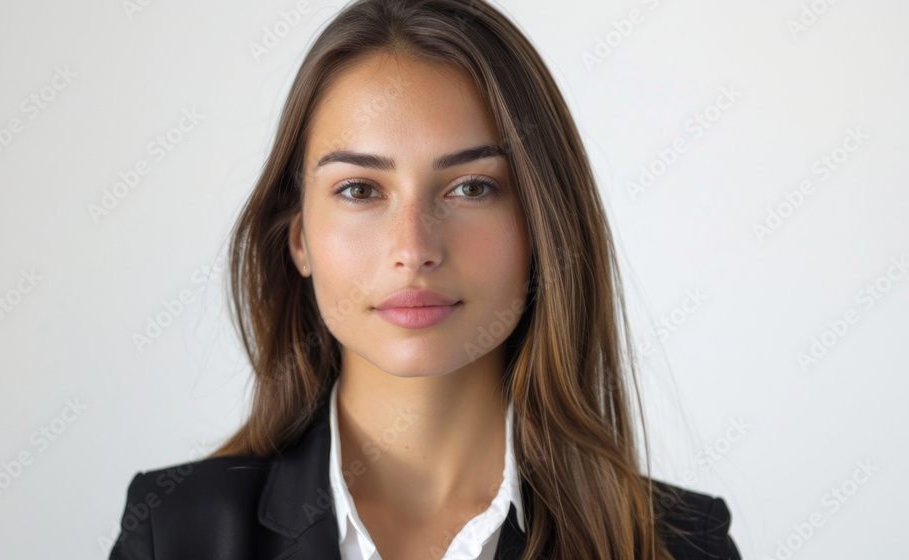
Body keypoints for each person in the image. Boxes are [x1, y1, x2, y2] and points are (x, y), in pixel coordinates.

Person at [108, 1, 742, 558]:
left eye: (471, 188)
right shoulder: (176, 533)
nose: (414, 248)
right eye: (359, 189)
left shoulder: (681, 547)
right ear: (299, 237)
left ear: (542, 228)